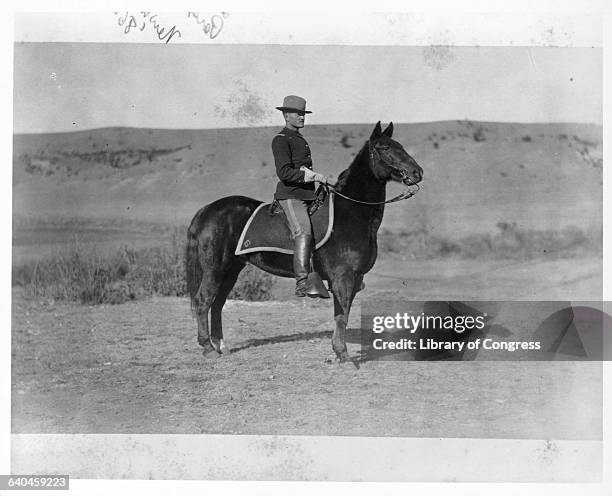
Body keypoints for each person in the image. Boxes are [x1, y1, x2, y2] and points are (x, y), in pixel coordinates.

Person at [272, 95, 335, 297]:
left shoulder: (299, 139)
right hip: (291, 196)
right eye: (297, 114)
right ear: (285, 115)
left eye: (303, 113)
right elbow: (284, 173)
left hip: (308, 195)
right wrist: (311, 176)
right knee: (304, 232)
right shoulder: (281, 140)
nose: (301, 117)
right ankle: (301, 282)